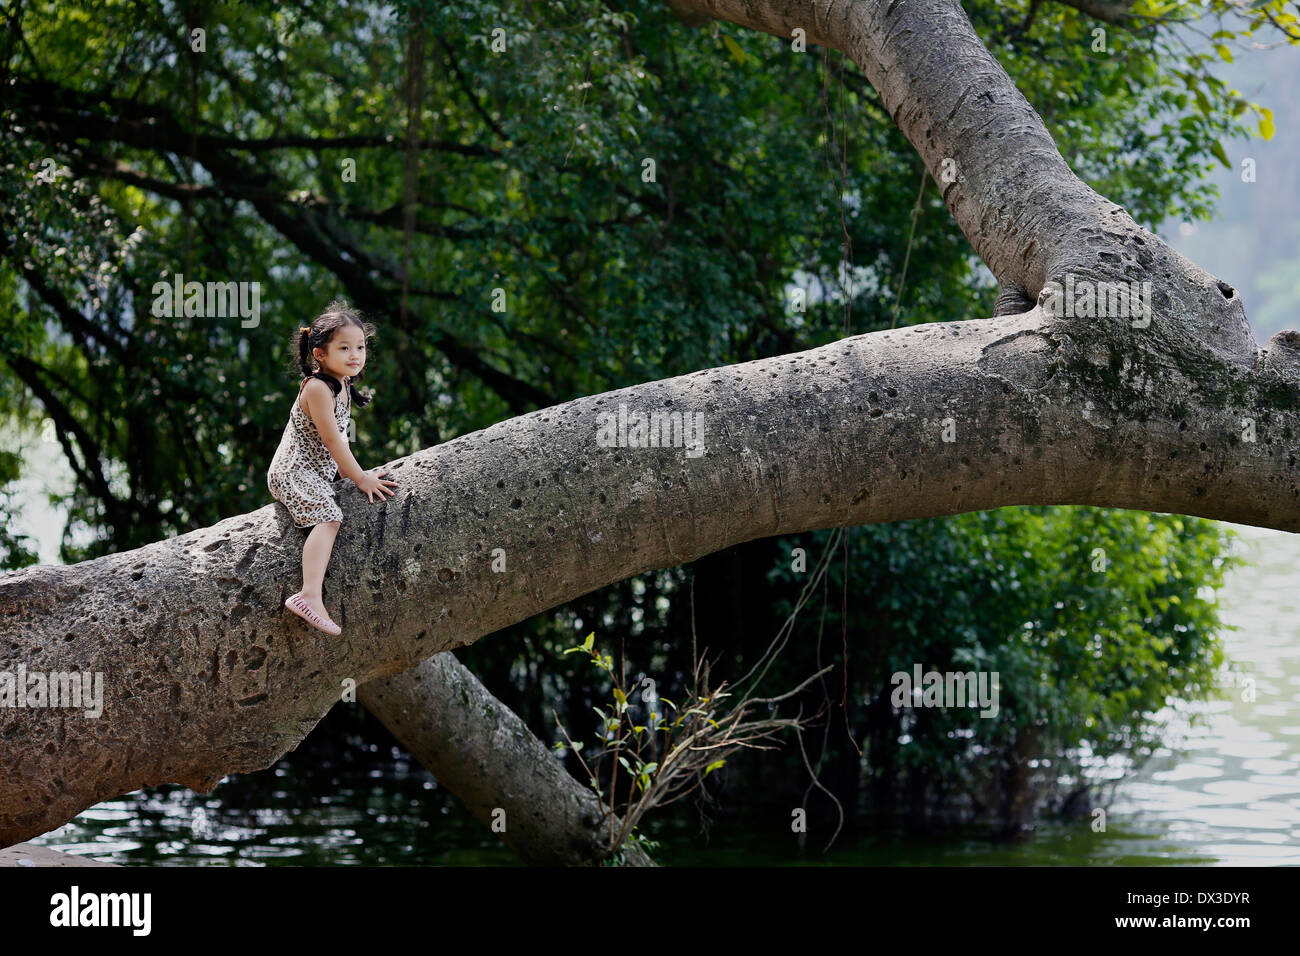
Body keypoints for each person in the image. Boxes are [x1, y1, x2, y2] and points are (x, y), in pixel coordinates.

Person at [267, 300, 399, 634]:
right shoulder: (317, 388)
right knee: (329, 516)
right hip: (292, 472)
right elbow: (332, 441)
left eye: (360, 347)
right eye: (345, 347)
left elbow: (340, 441)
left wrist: (351, 475)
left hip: (316, 473)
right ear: (320, 353)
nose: (355, 354)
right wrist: (360, 478)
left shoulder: (343, 387)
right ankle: (308, 595)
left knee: (339, 504)